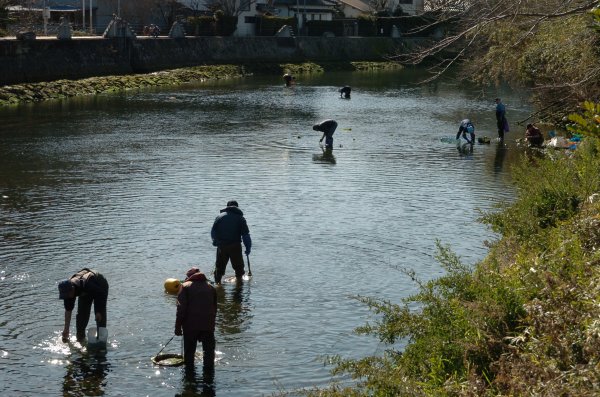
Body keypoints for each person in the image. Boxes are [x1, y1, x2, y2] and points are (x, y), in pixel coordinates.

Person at [175, 267, 217, 372]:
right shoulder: (211, 287)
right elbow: (215, 308)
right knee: (209, 355)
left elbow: (181, 309)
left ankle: (189, 378)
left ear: (188, 277)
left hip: (190, 327)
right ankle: (209, 378)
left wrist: (177, 327)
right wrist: (211, 326)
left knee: (189, 355)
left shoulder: (184, 287)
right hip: (208, 326)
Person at [58, 268, 109, 343]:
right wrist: (66, 329)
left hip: (100, 285)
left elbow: (100, 294)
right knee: (81, 317)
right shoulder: (67, 293)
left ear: (72, 289)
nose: (66, 297)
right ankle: (80, 340)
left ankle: (100, 343)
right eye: (64, 296)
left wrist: (98, 311)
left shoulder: (88, 284)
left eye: (67, 295)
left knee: (100, 317)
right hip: (84, 291)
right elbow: (68, 311)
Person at [211, 200, 252, 284]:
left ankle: (218, 285)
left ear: (227, 207)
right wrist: (248, 248)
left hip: (221, 246)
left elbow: (213, 231)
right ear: (237, 207)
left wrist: (215, 241)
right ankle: (239, 288)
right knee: (239, 269)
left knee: (219, 268)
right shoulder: (240, 218)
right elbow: (246, 235)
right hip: (235, 246)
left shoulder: (219, 217)